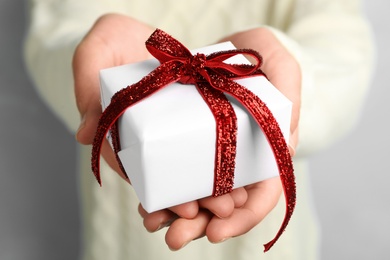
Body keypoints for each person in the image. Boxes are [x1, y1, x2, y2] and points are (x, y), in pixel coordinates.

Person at [23, 0, 375, 259]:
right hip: (124, 237)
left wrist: (292, 76)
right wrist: (90, 70)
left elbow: (345, 58)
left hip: (273, 240)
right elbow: (50, 37)